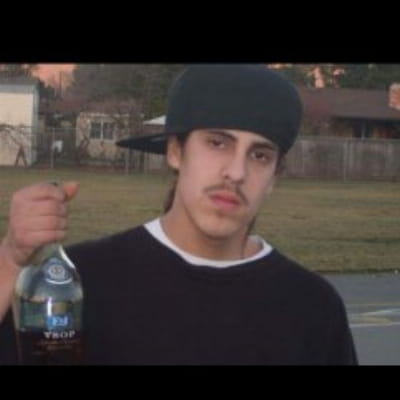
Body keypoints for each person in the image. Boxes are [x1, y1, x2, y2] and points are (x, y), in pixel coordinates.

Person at [0, 64, 358, 365]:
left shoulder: (312, 307)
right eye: (218, 143)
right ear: (175, 151)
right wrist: (10, 260)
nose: (236, 172)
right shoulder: (78, 282)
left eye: (260, 155)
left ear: (274, 177)